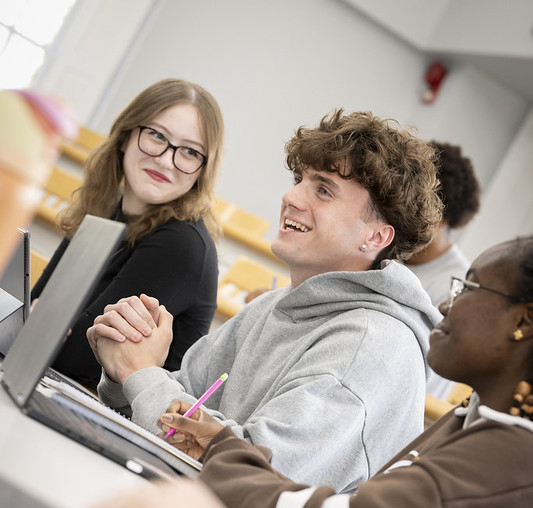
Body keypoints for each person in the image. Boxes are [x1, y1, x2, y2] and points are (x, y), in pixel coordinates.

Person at [87, 109, 443, 493]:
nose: (291, 197)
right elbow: (165, 404)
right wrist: (124, 370)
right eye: (299, 180)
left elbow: (254, 481)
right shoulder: (276, 304)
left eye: (323, 190)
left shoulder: (371, 347)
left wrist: (141, 374)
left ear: (375, 238)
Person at [93, 235, 533, 508]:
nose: (445, 303)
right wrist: (128, 379)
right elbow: (171, 409)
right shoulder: (467, 424)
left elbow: (309, 503)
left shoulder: (512, 458)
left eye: (469, 287)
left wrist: (214, 444)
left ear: (523, 322)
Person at [32, 78, 224, 390]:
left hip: (103, 418)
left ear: (202, 169)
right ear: (126, 136)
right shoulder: (104, 207)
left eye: (189, 152)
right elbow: (33, 307)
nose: (166, 159)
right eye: (157, 135)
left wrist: (44, 323)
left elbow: (77, 357)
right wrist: (41, 322)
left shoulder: (181, 245)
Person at [405, 140, 481, 400]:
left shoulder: (458, 285)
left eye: (414, 205)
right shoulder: (391, 251)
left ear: (440, 217)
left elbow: (417, 369)